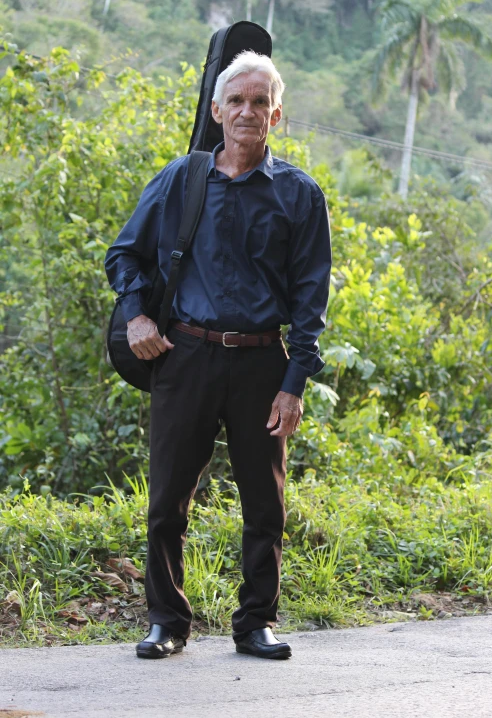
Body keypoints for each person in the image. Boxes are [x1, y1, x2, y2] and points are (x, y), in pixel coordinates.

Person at [104, 50, 332, 660]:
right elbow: (123, 255)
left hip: (263, 363)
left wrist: (294, 384)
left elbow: (311, 301)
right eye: (237, 101)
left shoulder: (301, 195)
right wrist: (138, 315)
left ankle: (256, 621)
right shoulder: (183, 178)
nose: (248, 111)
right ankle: (166, 621)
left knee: (265, 501)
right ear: (217, 110)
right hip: (186, 355)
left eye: (261, 102)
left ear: (276, 115)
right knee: (167, 498)